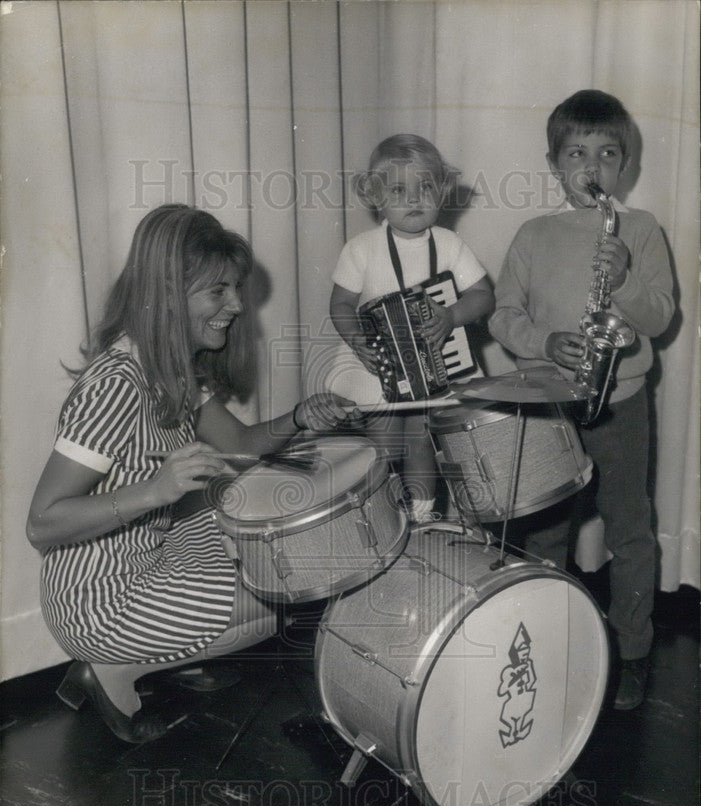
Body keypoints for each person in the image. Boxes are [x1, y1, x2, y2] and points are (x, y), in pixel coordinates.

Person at [26, 203, 359, 743]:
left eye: (235, 288)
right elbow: (42, 523)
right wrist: (156, 489)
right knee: (286, 596)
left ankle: (165, 649)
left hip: (142, 551)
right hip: (97, 595)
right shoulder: (116, 383)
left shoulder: (173, 368)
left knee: (271, 545)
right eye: (217, 292)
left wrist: (302, 415)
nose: (235, 304)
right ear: (166, 296)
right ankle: (112, 665)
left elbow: (243, 445)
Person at [489, 90, 674, 710]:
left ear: (625, 167)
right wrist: (544, 342)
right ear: (553, 163)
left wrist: (623, 281)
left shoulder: (642, 229)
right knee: (545, 535)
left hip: (621, 403)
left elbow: (659, 318)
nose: (591, 168)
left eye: (607, 154)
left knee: (631, 531)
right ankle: (543, 645)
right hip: (550, 405)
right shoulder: (533, 234)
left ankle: (633, 651)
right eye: (576, 153)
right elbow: (502, 316)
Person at [329, 133, 494, 523]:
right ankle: (386, 521)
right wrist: (356, 339)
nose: (415, 199)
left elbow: (483, 296)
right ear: (375, 196)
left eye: (426, 188)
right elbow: (340, 304)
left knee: (421, 439)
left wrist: (453, 316)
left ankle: (423, 519)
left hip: (434, 363)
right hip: (378, 368)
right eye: (399, 189)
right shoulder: (361, 248)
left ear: (441, 192)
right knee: (383, 445)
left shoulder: (450, 244)